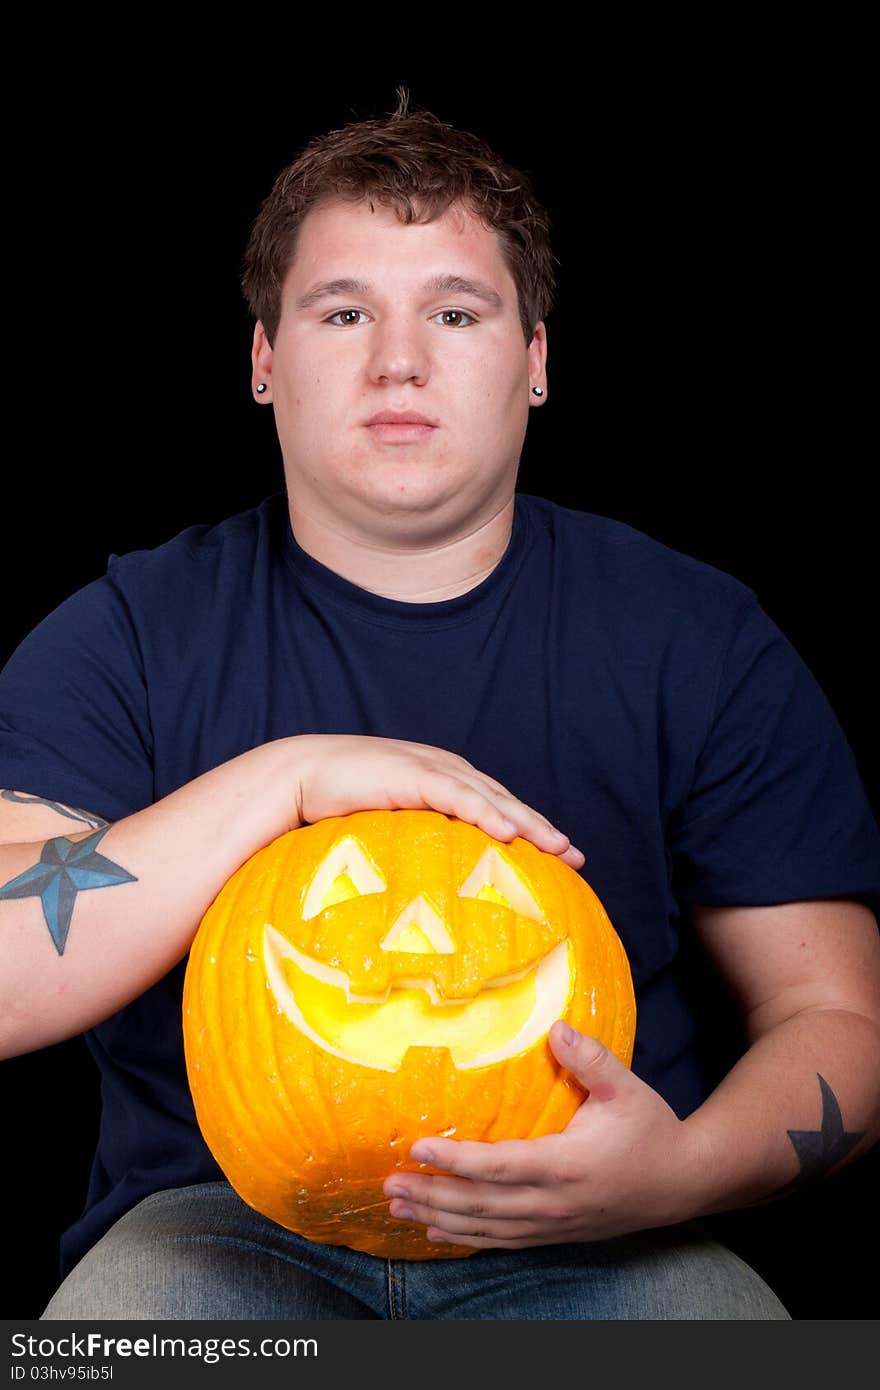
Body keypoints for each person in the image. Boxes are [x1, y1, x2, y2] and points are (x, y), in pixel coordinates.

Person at [2, 90, 879, 1323]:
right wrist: (284, 779)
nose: (396, 358)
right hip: (216, 1222)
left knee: (734, 1344)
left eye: (454, 313)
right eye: (343, 310)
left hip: (607, 1223)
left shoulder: (695, 636)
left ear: (533, 363)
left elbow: (830, 1015)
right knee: (100, 1352)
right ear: (263, 360)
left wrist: (675, 1170)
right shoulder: (126, 636)